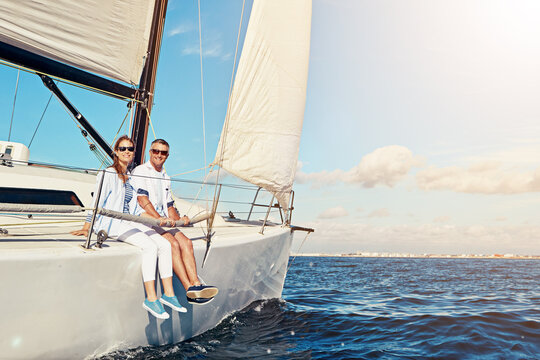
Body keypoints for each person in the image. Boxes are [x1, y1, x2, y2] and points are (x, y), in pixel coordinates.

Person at [71, 135, 186, 319]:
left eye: (130, 149)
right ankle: (150, 298)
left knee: (164, 245)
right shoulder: (107, 174)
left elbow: (135, 209)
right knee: (150, 246)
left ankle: (169, 295)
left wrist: (158, 220)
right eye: (123, 148)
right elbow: (96, 202)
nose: (127, 152)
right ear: (116, 152)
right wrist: (87, 226)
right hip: (113, 224)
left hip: (130, 221)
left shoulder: (132, 177)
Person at [131, 139, 218, 305]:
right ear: (150, 152)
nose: (159, 155)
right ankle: (188, 290)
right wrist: (159, 219)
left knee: (186, 243)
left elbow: (169, 204)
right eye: (156, 151)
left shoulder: (165, 176)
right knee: (173, 244)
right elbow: (142, 200)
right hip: (147, 219)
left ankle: (196, 284)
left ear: (167, 155)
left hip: (162, 219)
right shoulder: (140, 171)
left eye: (163, 152)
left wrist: (179, 219)